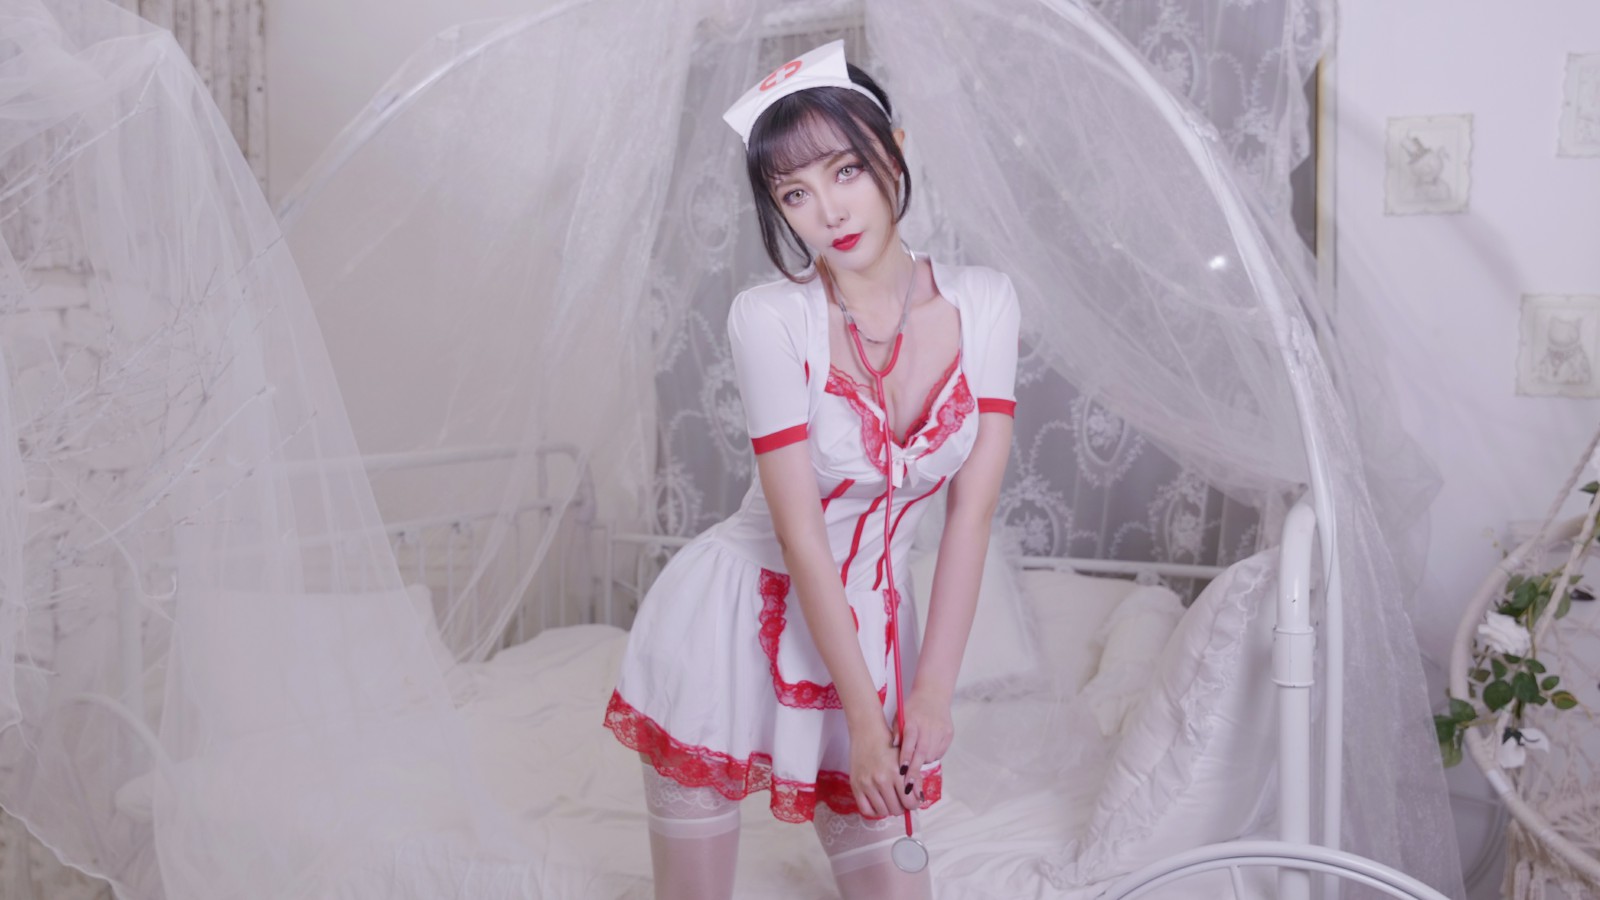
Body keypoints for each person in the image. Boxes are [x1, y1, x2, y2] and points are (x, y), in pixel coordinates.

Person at [602, 39, 1019, 900]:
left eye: (845, 170)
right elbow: (800, 535)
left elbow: (970, 516)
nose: (828, 210)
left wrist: (931, 694)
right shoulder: (770, 318)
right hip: (731, 621)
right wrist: (863, 721)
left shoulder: (986, 303)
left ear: (892, 152)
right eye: (794, 192)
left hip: (876, 632)